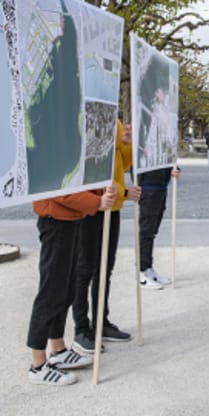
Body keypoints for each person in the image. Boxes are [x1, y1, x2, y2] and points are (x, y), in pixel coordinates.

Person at [28, 186, 115, 384]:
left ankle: (58, 349)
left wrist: (102, 193)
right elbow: (60, 191)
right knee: (50, 291)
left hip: (73, 219)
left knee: (66, 289)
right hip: (54, 221)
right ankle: (38, 363)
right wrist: (96, 202)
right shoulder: (51, 156)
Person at [71, 119, 141, 353]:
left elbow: (122, 163)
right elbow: (94, 170)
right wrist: (123, 191)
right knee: (85, 268)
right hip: (92, 206)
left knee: (105, 267)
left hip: (113, 207)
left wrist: (127, 144)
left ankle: (101, 321)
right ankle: (81, 327)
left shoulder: (114, 120)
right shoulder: (88, 118)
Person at [137, 165, 180, 289]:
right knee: (146, 230)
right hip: (148, 186)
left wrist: (175, 168)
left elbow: (168, 158)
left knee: (152, 231)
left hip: (161, 186)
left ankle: (148, 268)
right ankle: (142, 271)